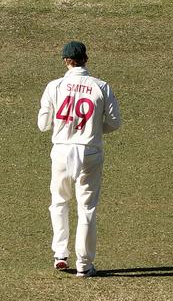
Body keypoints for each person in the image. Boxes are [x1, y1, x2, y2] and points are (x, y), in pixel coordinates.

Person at [37, 41, 123, 278]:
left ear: (66, 61)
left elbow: (43, 125)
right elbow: (115, 122)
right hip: (90, 151)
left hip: (62, 150)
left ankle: (60, 254)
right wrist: (93, 131)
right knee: (87, 209)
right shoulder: (101, 86)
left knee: (59, 202)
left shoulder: (54, 86)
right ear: (86, 59)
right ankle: (84, 265)